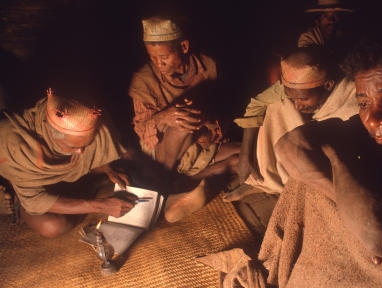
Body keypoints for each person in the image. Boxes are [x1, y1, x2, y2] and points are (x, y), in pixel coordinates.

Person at [267, 39, 382, 286]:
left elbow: (380, 236)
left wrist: (379, 227)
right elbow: (290, 146)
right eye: (363, 103)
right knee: (310, 183)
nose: (373, 120)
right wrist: (347, 200)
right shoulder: (363, 128)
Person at [129, 16, 240, 222]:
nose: (158, 63)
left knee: (245, 156)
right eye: (152, 57)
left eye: (164, 57)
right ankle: (161, 192)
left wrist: (210, 129)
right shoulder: (144, 80)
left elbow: (222, 110)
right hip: (161, 153)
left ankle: (186, 185)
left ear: (184, 46)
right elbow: (141, 129)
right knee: (182, 120)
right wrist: (164, 117)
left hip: (197, 146)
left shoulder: (208, 66)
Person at [0, 87, 135, 238]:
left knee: (128, 156)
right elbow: (34, 200)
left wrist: (106, 168)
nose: (81, 152)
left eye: (85, 145)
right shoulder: (13, 145)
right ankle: (18, 208)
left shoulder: (83, 111)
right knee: (53, 227)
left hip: (63, 179)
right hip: (24, 193)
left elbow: (92, 151)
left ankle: (84, 187)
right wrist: (101, 205)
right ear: (50, 133)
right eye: (73, 147)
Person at [231, 48, 358, 198]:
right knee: (278, 106)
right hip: (298, 149)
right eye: (293, 98)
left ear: (328, 85)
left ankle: (292, 190)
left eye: (303, 99)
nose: (297, 105)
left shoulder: (354, 98)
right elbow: (256, 105)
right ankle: (268, 181)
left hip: (329, 165)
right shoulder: (294, 88)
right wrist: (245, 156)